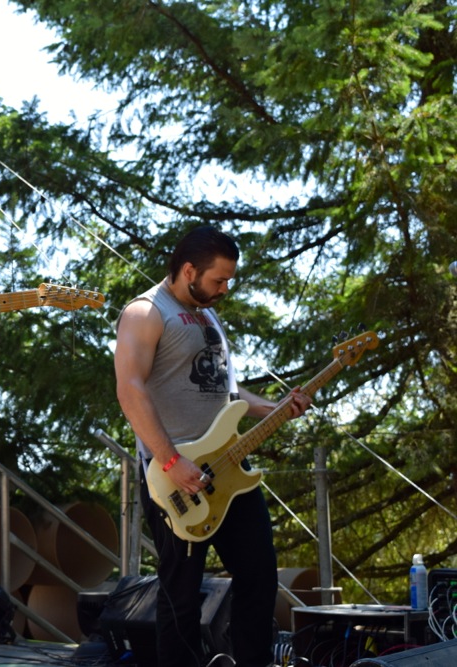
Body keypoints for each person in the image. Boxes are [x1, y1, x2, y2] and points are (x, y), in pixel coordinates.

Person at [114, 226, 311, 667]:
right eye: (218, 280)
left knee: (259, 577)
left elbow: (227, 393)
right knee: (180, 595)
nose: (224, 289)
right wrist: (170, 459)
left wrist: (276, 408)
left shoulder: (207, 315)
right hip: (174, 478)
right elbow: (129, 390)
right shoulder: (146, 312)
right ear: (189, 271)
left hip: (229, 471)